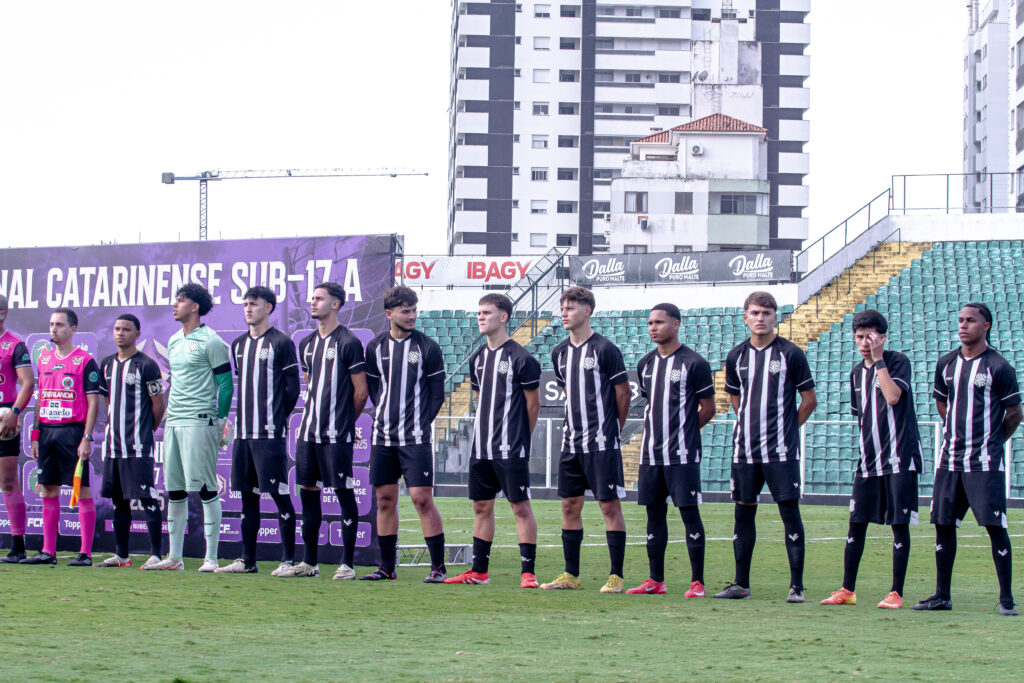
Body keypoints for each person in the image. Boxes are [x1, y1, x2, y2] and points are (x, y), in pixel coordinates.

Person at [913, 303, 1020, 615]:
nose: (963, 325)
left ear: (985, 325)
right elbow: (941, 402)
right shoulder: (946, 363)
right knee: (943, 524)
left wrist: (993, 441)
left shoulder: (998, 367)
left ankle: (1006, 599)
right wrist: (953, 431)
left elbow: (1014, 413)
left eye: (970, 321)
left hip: (984, 462)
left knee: (994, 526)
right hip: (949, 461)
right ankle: (942, 596)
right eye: (960, 320)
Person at [713, 291, 817, 602]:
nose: (761, 318)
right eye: (755, 313)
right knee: (743, 513)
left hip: (781, 450)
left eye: (767, 313)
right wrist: (750, 425)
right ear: (745, 316)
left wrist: (784, 429)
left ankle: (796, 586)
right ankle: (740, 584)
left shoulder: (790, 354)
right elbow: (735, 398)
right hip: (744, 449)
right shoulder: (736, 356)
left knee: (789, 512)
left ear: (775, 317)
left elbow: (809, 401)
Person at [820, 309, 922, 609]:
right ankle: (847, 590)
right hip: (868, 460)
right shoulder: (854, 373)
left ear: (882, 337)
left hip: (900, 458)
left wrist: (879, 361)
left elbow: (892, 397)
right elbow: (862, 417)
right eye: (860, 337)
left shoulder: (897, 361)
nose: (865, 342)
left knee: (898, 524)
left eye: (871, 337)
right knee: (856, 523)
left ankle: (896, 592)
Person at [444, 294, 541, 587]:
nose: (480, 317)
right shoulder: (478, 359)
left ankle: (528, 573)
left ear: (504, 317)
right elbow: (479, 400)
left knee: (520, 507)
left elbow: (532, 405)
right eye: (479, 312)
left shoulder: (522, 358)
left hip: (510, 447)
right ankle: (479, 571)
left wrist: (521, 439)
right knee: (481, 507)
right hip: (480, 448)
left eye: (487, 312)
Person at [540, 287, 631, 593]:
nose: (564, 313)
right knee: (569, 506)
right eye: (562, 308)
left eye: (570, 308)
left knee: (609, 507)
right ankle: (571, 574)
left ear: (587, 310)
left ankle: (616, 575)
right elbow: (568, 393)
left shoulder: (605, 349)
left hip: (602, 443)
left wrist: (612, 428)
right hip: (571, 444)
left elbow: (623, 393)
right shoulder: (560, 353)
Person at [626, 304, 715, 597]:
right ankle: (656, 580)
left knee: (689, 514)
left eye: (659, 322)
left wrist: (686, 432)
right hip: (651, 454)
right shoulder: (646, 364)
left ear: (676, 324)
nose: (653, 327)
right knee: (654, 515)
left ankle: (698, 581)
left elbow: (709, 408)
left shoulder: (694, 363)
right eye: (650, 322)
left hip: (682, 455)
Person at [280, 282, 367, 579]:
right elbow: (311, 384)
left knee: (343, 494)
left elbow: (360, 392)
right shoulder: (306, 344)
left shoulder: (349, 342)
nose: (312, 302)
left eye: (319, 298)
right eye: (312, 298)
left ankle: (347, 564)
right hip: (308, 432)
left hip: (336, 434)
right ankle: (310, 563)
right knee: (308, 493)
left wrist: (345, 422)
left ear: (335, 304)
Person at [361, 286, 447, 582]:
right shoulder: (374, 347)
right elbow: (374, 390)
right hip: (382, 436)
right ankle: (387, 568)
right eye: (405, 311)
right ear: (389, 313)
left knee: (421, 499)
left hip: (415, 438)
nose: (412, 316)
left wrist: (420, 423)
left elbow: (437, 396)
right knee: (385, 500)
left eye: (414, 310)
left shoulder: (428, 347)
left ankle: (438, 568)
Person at [215, 287, 300, 575]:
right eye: (246, 304)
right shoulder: (238, 345)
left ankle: (288, 560)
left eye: (255, 304)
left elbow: (293, 388)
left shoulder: (282, 342)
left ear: (269, 308)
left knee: (278, 494)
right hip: (243, 435)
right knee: (246, 496)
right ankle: (246, 560)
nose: (248, 308)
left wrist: (279, 418)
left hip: (269, 434)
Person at [150, 283, 233, 572]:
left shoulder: (211, 341)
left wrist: (221, 420)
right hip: (174, 422)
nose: (175, 305)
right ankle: (175, 558)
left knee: (207, 489)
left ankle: (211, 558)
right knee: (174, 490)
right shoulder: (173, 341)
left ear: (194, 306)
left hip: (201, 421)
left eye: (181, 300)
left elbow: (225, 385)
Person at [22, 308, 100, 566]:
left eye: (59, 325)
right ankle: (48, 551)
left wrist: (87, 437)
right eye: (51, 324)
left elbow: (92, 402)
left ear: (73, 329)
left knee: (82, 488)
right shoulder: (43, 359)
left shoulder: (85, 360)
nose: (53, 329)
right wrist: (35, 434)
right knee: (48, 489)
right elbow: (40, 398)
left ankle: (85, 553)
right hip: (46, 431)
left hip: (73, 431)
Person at [95, 314, 167, 569]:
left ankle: (156, 555)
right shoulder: (105, 365)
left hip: (138, 444)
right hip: (113, 446)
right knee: (119, 501)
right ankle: (122, 556)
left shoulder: (147, 365)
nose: (120, 333)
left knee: (147, 498)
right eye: (117, 329)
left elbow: (158, 405)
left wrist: (146, 429)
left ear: (137, 334)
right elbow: (108, 402)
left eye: (126, 329)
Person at [0, 294, 34, 563]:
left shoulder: (15, 345)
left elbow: (27, 383)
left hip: (4, 417)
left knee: (8, 481)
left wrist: (14, 412)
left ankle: (18, 545)